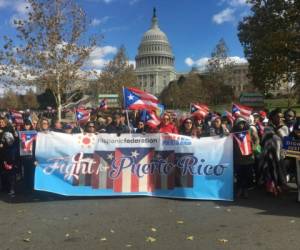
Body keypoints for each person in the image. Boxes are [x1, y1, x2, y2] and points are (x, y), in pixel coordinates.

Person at [232, 117, 254, 198]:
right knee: (239, 175)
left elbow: (256, 140)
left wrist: (253, 148)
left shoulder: (249, 131)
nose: (241, 125)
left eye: (242, 123)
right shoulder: (233, 133)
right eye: (239, 123)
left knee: (247, 175)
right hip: (238, 158)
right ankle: (239, 189)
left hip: (248, 158)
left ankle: (245, 190)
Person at [0, 116, 17, 197]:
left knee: (9, 171)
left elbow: (11, 142)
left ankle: (11, 188)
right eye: (0, 122)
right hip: (1, 154)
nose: (1, 123)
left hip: (8, 154)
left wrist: (3, 144)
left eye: (2, 122)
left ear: (5, 122)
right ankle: (4, 187)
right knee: (2, 171)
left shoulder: (9, 129)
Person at [20, 120, 36, 192]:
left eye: (28, 125)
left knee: (32, 172)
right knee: (25, 172)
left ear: (30, 125)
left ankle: (31, 186)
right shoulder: (21, 133)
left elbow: (35, 144)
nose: (27, 126)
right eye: (26, 125)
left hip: (32, 156)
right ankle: (26, 187)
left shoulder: (34, 133)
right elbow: (20, 145)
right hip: (24, 156)